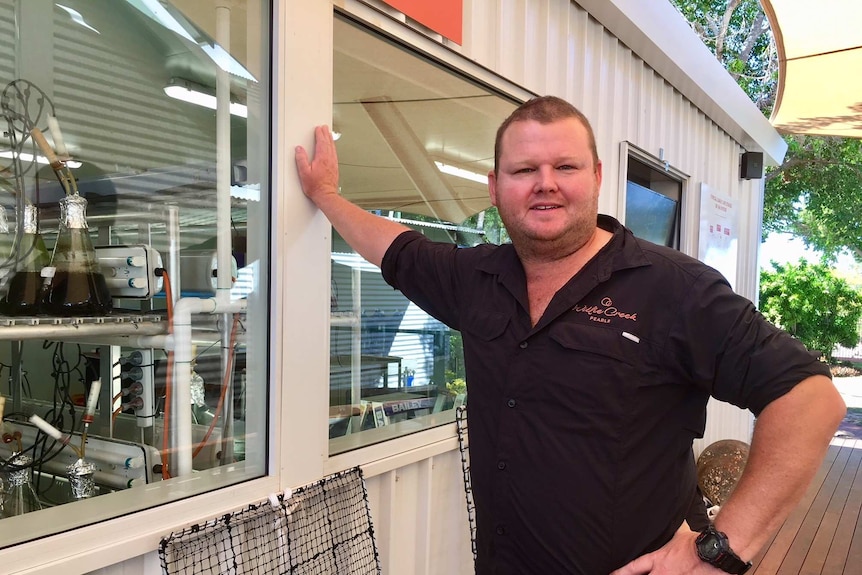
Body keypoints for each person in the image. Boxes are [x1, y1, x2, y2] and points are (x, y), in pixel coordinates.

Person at [294, 96, 846, 574]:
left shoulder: (673, 290)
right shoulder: (476, 279)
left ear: (597, 177)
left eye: (566, 166)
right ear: (495, 186)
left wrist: (722, 550)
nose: (546, 184)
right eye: (523, 169)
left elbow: (809, 400)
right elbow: (395, 249)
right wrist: (326, 197)